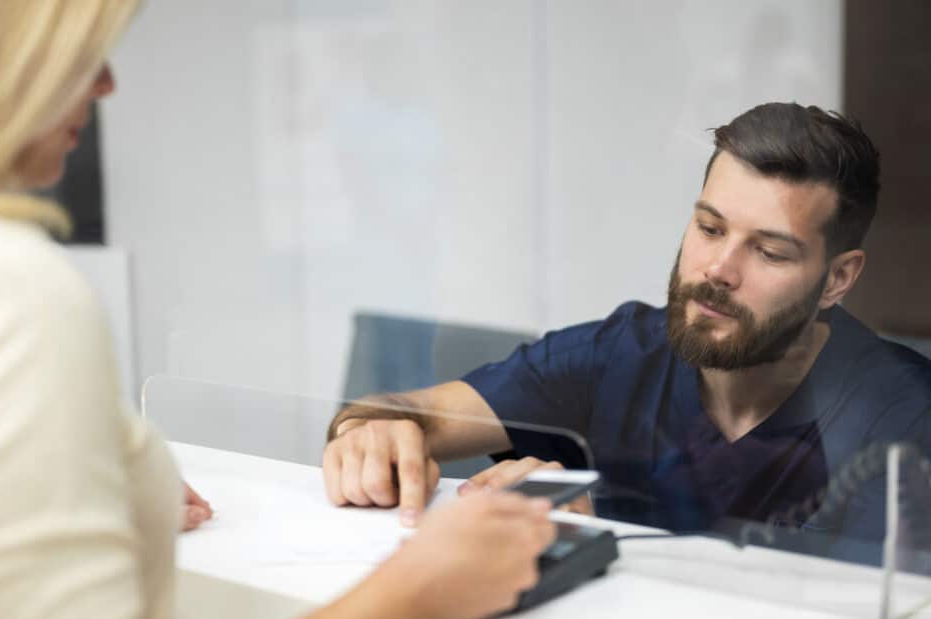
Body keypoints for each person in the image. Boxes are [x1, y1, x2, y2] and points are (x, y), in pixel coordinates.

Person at [0, 2, 557, 619]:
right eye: (82, 58)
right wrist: (412, 590)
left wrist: (86, 487)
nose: (107, 88)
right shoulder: (3, 292)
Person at [323, 102, 931, 564]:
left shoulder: (902, 417)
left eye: (769, 252)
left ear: (837, 278)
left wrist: (602, 538)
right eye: (710, 229)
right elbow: (403, 413)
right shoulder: (621, 353)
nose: (718, 271)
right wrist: (371, 432)